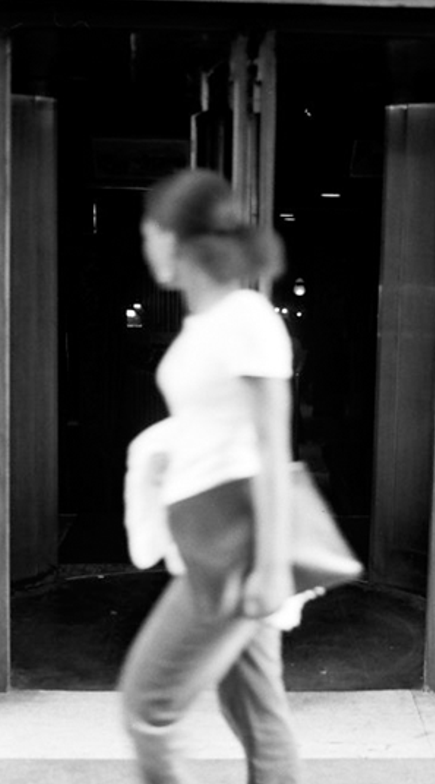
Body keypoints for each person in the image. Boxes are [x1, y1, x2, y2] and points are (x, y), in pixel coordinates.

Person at [118, 168, 301, 783]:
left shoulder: (246, 318)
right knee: (257, 712)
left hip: (233, 545)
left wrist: (274, 565)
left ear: (171, 237)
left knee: (148, 707)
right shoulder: (207, 323)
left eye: (147, 235)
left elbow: (272, 446)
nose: (146, 251)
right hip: (207, 538)